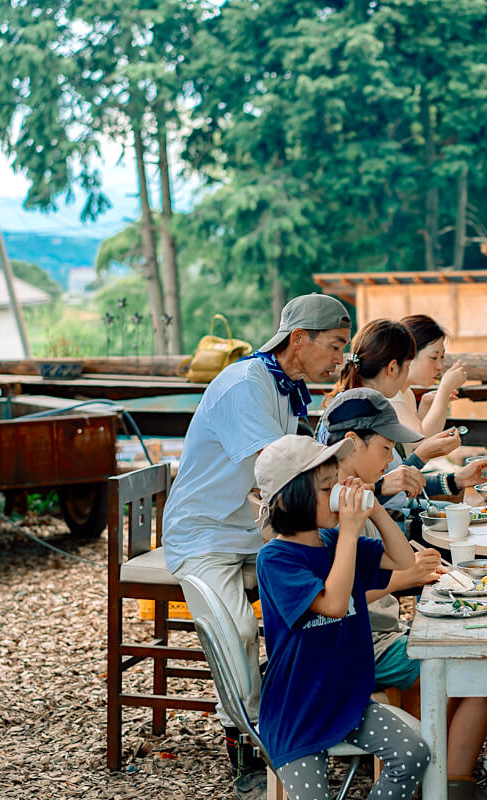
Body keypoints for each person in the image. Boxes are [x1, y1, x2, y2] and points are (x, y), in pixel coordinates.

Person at [162, 293, 351, 797]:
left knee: (338, 583)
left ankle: (308, 702)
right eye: (335, 346)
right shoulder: (246, 386)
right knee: (238, 629)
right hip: (204, 534)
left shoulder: (287, 386)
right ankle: (246, 742)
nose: (339, 360)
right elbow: (278, 480)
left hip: (251, 529)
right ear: (298, 339)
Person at [320, 388, 487, 800]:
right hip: (356, 643)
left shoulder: (354, 494)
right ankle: (447, 782)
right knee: (478, 670)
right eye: (387, 447)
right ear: (352, 444)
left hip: (375, 631)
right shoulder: (331, 511)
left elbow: (387, 558)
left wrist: (412, 558)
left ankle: (442, 770)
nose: (392, 459)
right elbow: (333, 601)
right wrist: (405, 578)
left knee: (472, 655)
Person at [253, 435, 428, 800]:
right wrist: (349, 531)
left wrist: (374, 508)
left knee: (413, 754)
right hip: (297, 711)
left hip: (346, 700)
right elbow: (332, 603)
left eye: (338, 484)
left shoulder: (334, 543)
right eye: (326, 488)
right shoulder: (276, 560)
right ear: (289, 499)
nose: (337, 495)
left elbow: (403, 560)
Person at [323, 319, 487, 521]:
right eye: (408, 363)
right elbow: (345, 497)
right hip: (377, 529)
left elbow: (399, 482)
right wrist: (421, 457)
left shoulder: (373, 404)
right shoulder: (354, 412)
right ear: (393, 367)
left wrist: (456, 480)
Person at [389, 315, 469, 447]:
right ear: (409, 355)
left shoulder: (406, 393)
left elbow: (411, 448)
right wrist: (444, 390)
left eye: (442, 357)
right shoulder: (390, 394)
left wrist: (426, 405)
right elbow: (420, 441)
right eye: (434, 357)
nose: (440, 366)